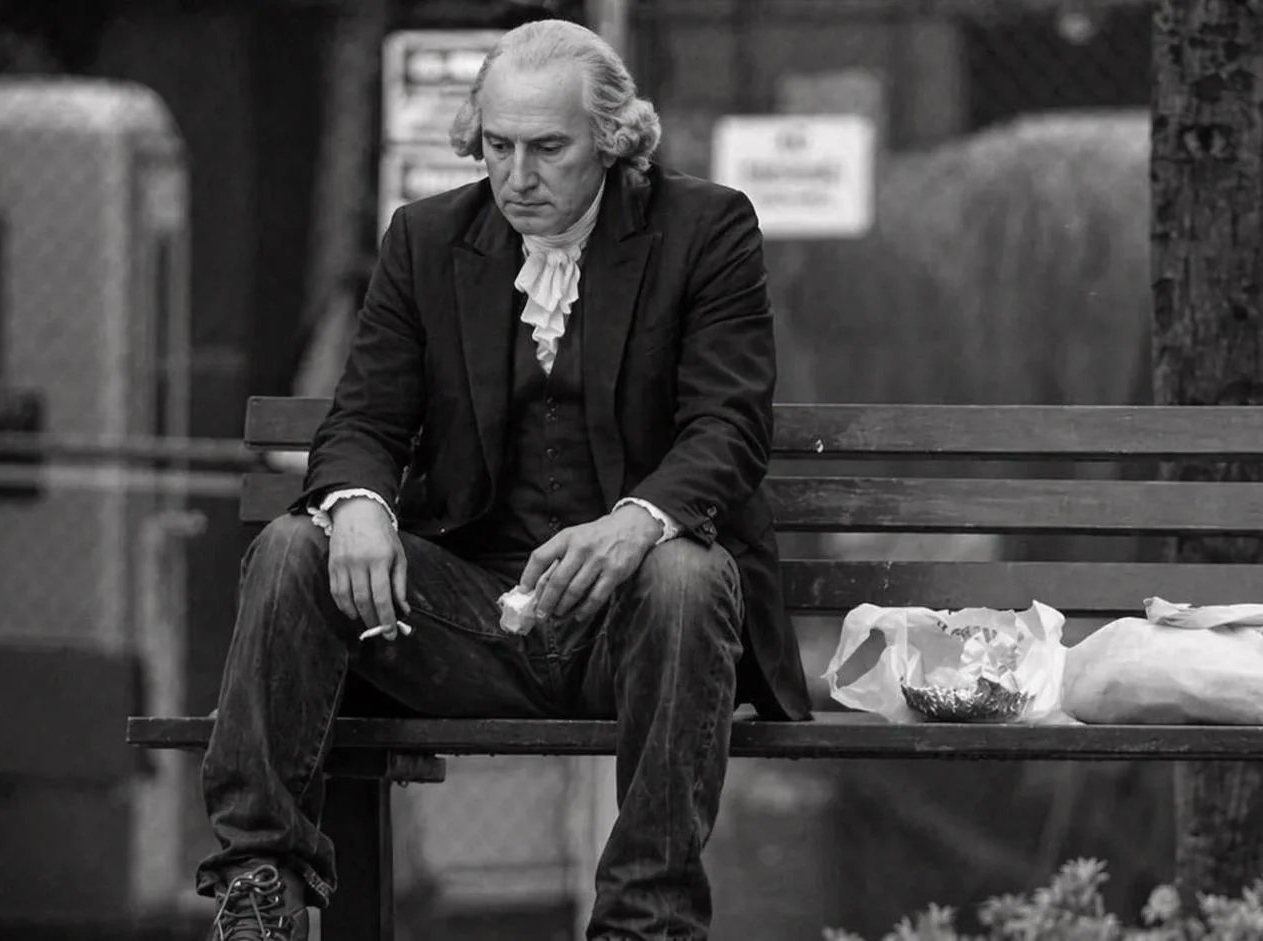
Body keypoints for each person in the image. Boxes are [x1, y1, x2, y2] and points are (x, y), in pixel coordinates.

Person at [198, 18, 811, 941]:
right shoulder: (426, 239)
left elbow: (728, 426)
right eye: (497, 146)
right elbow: (363, 420)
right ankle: (260, 886)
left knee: (688, 572)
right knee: (294, 546)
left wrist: (636, 522)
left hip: (632, 627)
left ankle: (644, 923)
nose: (517, 175)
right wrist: (357, 504)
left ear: (613, 140)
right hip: (463, 621)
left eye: (547, 148)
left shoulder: (705, 229)